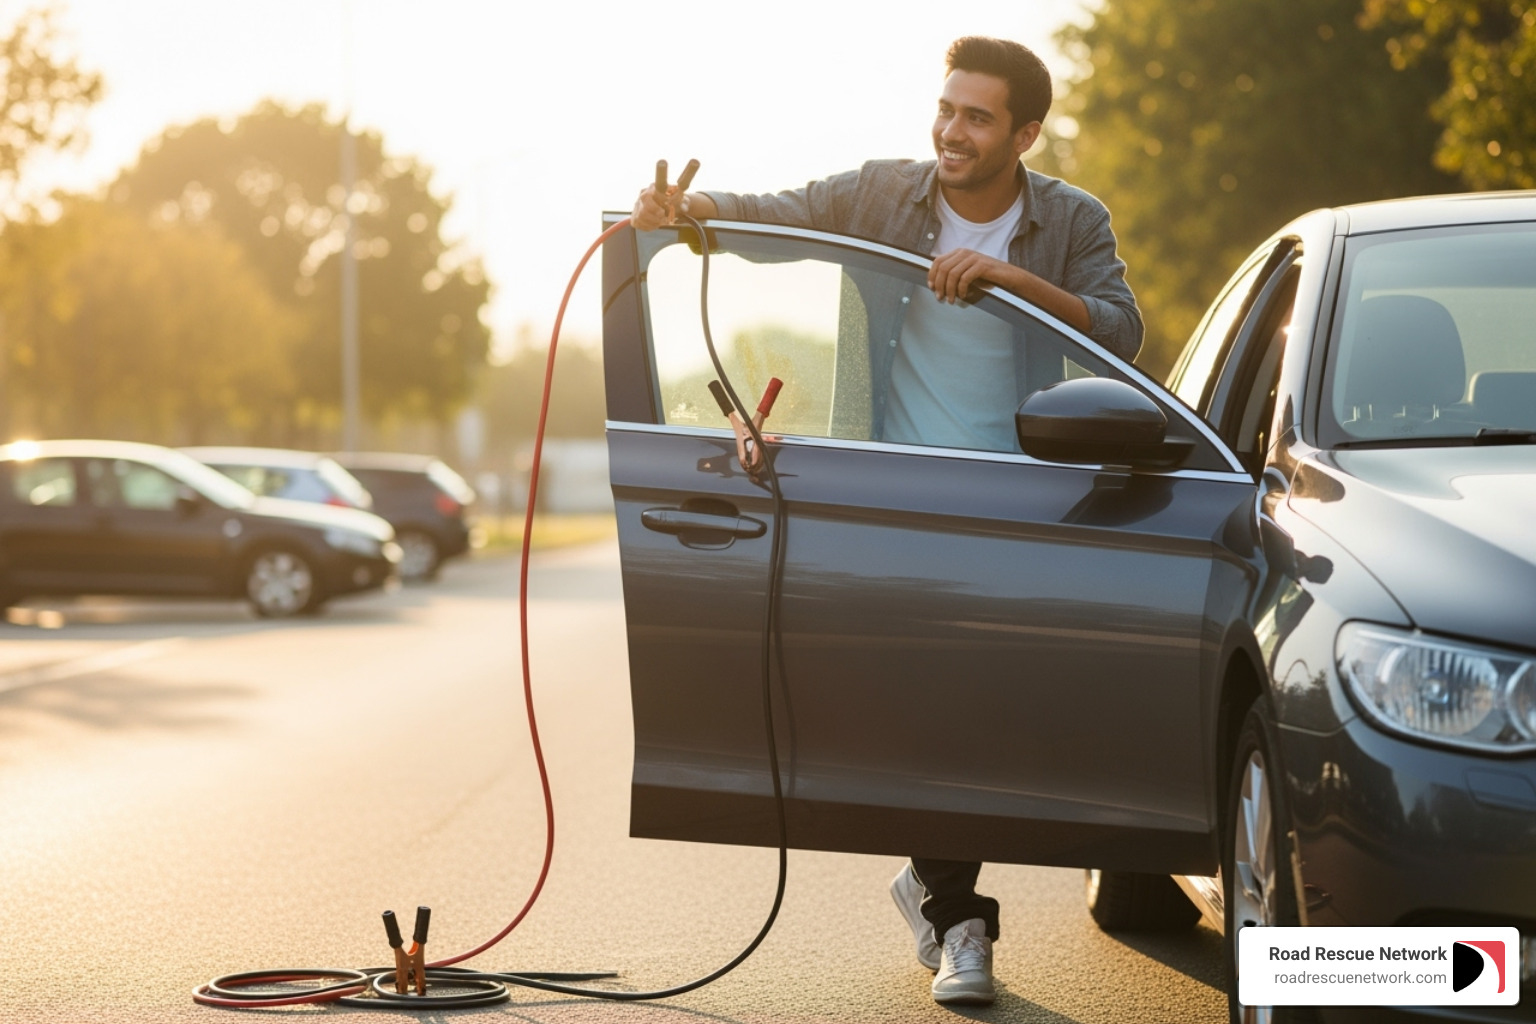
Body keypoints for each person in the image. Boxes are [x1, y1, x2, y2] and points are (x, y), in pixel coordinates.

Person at [631, 35, 1142, 1007]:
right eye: (947, 108)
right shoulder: (879, 195)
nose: (952, 130)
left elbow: (1119, 330)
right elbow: (770, 217)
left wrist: (1006, 282)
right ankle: (958, 920)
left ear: (1025, 133)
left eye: (977, 116)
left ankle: (933, 886)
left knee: (1007, 714)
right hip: (901, 492)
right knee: (943, 712)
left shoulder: (1072, 219)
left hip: (1028, 499)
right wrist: (687, 213)